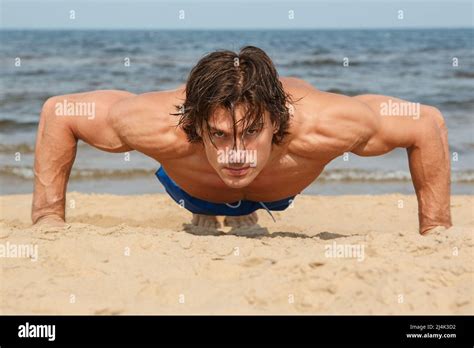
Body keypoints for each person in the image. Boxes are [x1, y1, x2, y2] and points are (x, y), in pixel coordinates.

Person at [32, 46, 452, 234]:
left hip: (277, 189)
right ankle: (209, 208)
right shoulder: (159, 125)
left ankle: (241, 211)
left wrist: (435, 228)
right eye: (219, 134)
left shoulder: (325, 124)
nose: (235, 152)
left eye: (252, 132)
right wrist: (48, 219)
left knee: (241, 207)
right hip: (191, 184)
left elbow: (425, 124)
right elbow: (60, 113)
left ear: (278, 123)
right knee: (207, 204)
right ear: (196, 126)